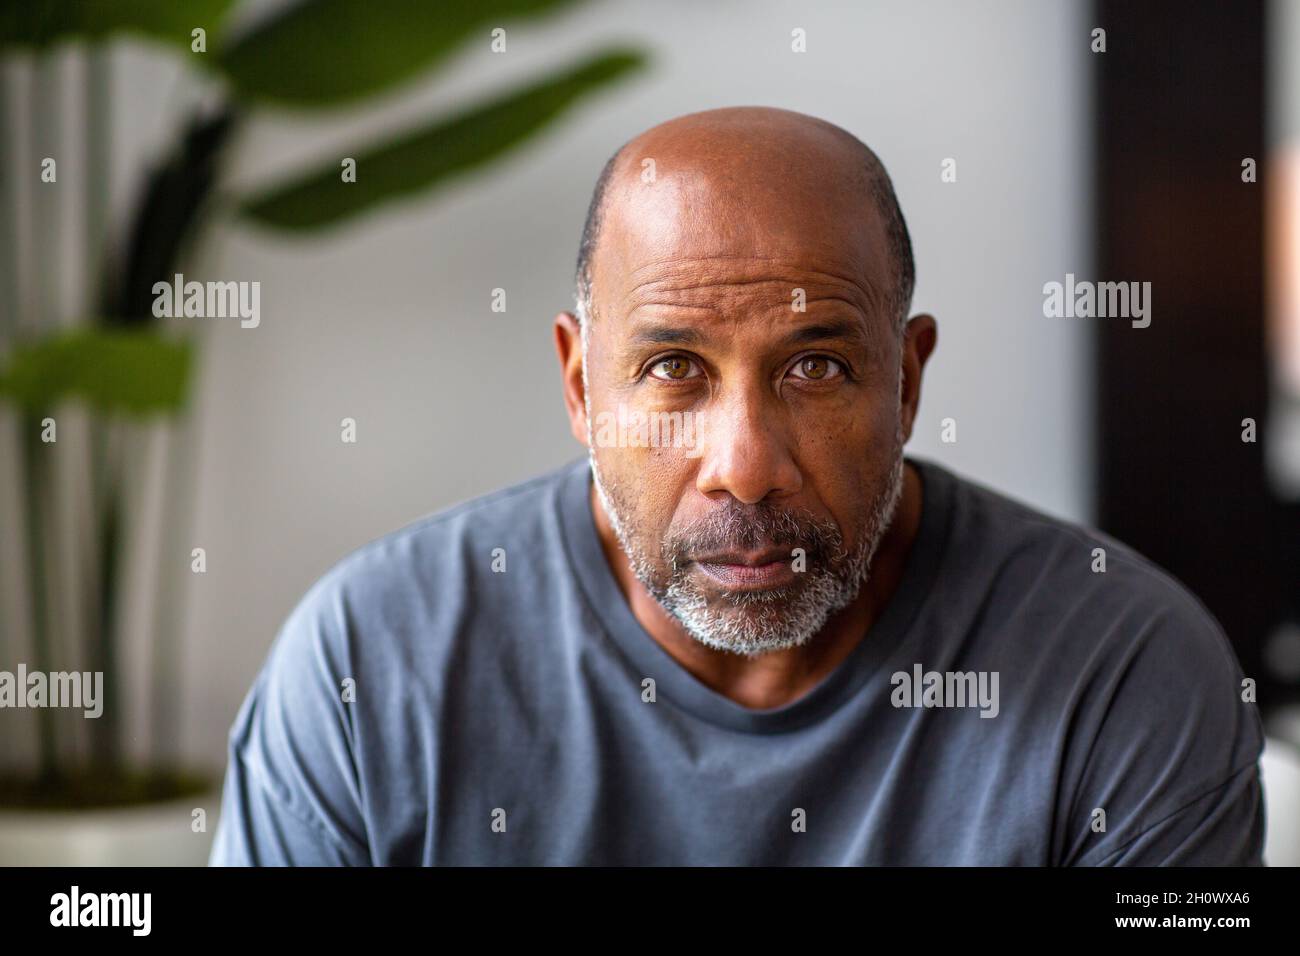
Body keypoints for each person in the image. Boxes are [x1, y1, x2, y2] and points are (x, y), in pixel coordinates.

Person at [209, 107, 1264, 865]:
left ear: (904, 380)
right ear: (581, 386)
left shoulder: (1126, 674)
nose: (746, 463)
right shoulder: (367, 664)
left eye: (816, 366)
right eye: (673, 369)